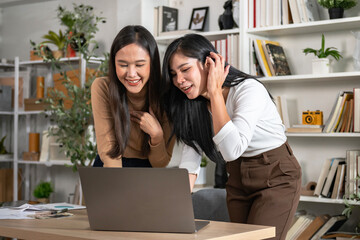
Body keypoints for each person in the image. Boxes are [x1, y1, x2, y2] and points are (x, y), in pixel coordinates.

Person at [162, 33, 301, 240]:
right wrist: (176, 211)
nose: (179, 80)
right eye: (173, 74)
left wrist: (215, 93)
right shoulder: (191, 104)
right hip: (237, 178)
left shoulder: (248, 90)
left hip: (276, 175)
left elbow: (232, 149)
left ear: (210, 64)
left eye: (185, 69)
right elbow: (190, 163)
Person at [91, 25, 174, 168]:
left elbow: (160, 164)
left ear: (152, 64)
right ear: (114, 63)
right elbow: (110, 152)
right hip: (111, 167)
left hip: (147, 171)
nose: (131, 74)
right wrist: (120, 187)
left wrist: (157, 136)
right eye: (122, 65)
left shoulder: (167, 92)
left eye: (139, 65)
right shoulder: (103, 87)